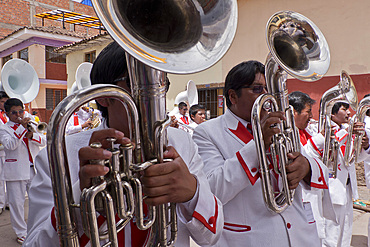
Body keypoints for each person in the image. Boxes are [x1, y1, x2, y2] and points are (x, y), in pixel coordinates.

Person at [24, 41, 223, 247]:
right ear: (103, 96)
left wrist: (192, 192)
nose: (156, 91)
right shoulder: (59, 155)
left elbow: (211, 236)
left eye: (162, 81)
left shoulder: (182, 142)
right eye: (136, 81)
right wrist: (78, 202)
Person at [192, 60, 329, 246]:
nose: (266, 96)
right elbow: (212, 190)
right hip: (251, 239)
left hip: (300, 236)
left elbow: (319, 169)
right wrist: (258, 145)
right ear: (233, 96)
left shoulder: (283, 126)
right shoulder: (207, 132)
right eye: (257, 89)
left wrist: (306, 167)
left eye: (267, 89)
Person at [304, 101, 370, 246]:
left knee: (345, 232)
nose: (348, 113)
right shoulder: (319, 129)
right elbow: (318, 155)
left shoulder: (346, 129)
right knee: (330, 236)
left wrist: (364, 145)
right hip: (331, 190)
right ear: (332, 113)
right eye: (344, 109)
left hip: (346, 188)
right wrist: (347, 134)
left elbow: (353, 159)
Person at [288, 91, 335, 245]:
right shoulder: (287, 135)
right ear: (294, 112)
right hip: (302, 199)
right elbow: (302, 158)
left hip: (317, 193)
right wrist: (320, 139)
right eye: (308, 112)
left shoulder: (305, 132)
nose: (310, 117)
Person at [0, 98, 46, 245]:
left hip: (34, 169)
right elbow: (10, 145)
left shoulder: (30, 123)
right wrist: (22, 128)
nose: (18, 115)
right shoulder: (4, 128)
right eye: (14, 113)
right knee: (17, 204)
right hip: (15, 171)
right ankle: (21, 232)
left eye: (21, 111)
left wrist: (32, 135)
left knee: (37, 201)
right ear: (6, 113)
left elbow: (44, 141)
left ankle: (37, 228)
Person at [0, 91, 9, 215]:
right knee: (1, 179)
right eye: (2, 102)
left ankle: (8, 202)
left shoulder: (7, 115)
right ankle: (1, 204)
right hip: (1, 150)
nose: (5, 104)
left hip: (8, 151)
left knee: (9, 179)